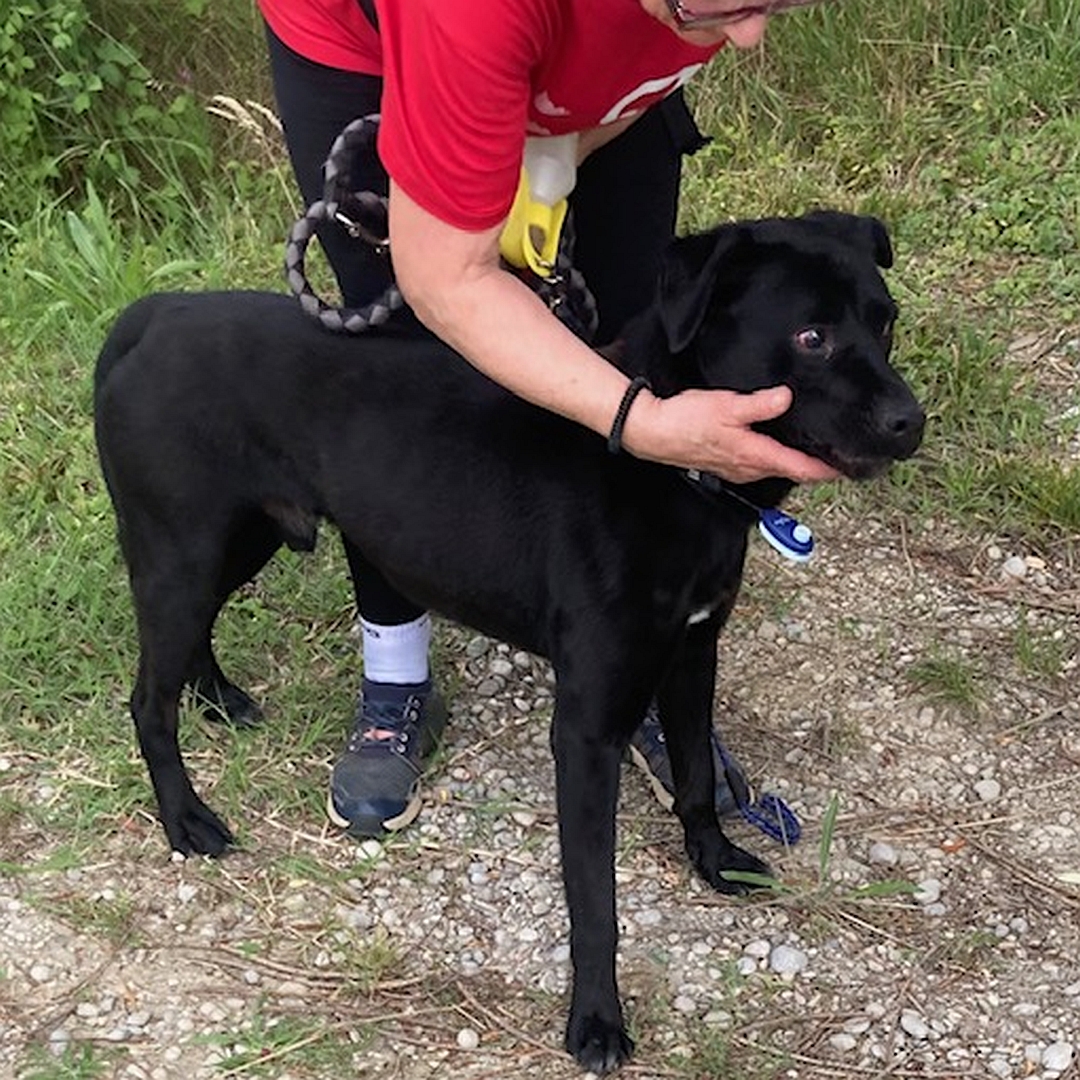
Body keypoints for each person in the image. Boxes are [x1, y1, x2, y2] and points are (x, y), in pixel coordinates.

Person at [259, 0, 837, 838]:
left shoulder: (707, 11)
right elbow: (445, 279)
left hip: (584, 49)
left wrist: (550, 157)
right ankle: (395, 669)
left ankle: (631, 659)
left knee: (626, 321)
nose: (752, 36)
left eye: (776, 0)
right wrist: (640, 422)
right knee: (405, 387)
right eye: (729, 5)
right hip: (378, 44)